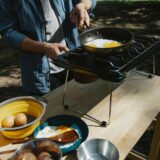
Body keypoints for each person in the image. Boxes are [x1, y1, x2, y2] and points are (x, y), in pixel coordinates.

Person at [0, 0, 96, 96]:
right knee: (48, 109)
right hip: (39, 73)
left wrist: (84, 5)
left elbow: (89, 1)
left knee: (76, 104)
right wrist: (44, 47)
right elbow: (9, 32)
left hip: (73, 64)